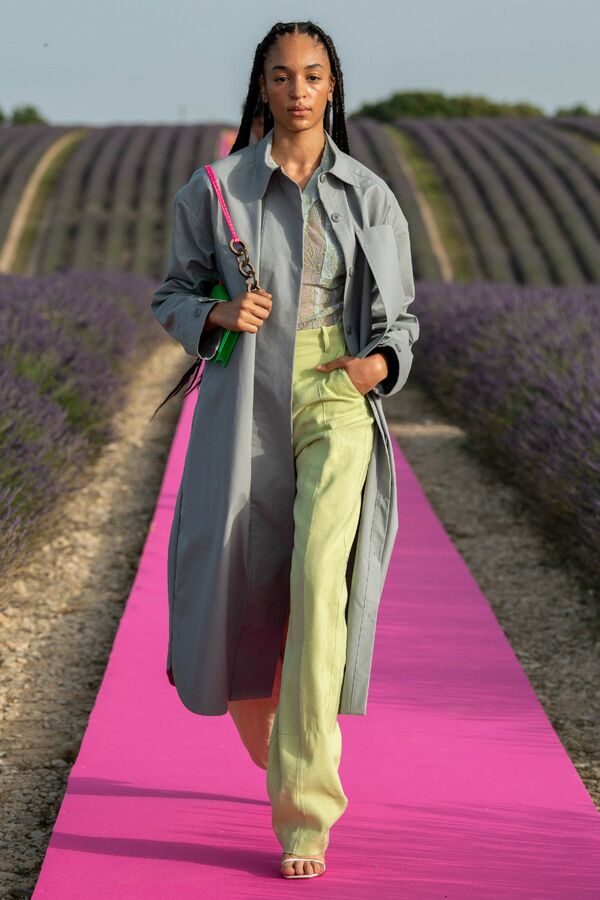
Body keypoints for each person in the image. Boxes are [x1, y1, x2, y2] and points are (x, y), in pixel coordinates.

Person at [150, 20, 418, 882]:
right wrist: (216, 313)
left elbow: (401, 322)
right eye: (281, 75)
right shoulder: (216, 189)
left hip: (337, 394)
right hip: (247, 399)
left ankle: (305, 815)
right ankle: (284, 757)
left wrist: (378, 365)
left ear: (332, 85)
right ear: (261, 87)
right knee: (242, 589)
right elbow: (172, 292)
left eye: (312, 74)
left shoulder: (370, 195)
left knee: (317, 585)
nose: (298, 90)